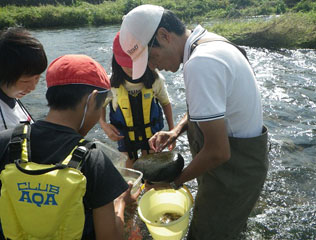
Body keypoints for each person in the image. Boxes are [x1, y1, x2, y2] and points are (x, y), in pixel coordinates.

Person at [119, 4, 269, 240]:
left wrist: (174, 182)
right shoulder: (210, 44)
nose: (152, 66)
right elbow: (216, 105)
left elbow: (218, 151)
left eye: (151, 57)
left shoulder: (200, 63)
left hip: (233, 175)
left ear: (164, 36)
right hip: (243, 167)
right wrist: (176, 130)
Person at [0, 54, 139, 240]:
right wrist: (120, 202)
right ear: (92, 100)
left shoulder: (6, 141)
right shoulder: (94, 160)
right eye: (103, 104)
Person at [99, 32, 175, 168]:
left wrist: (172, 130)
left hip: (151, 134)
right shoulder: (111, 83)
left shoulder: (155, 79)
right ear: (116, 61)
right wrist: (103, 124)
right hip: (125, 136)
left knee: (151, 165)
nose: (132, 68)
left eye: (136, 63)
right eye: (127, 64)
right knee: (128, 167)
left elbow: (165, 103)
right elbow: (100, 106)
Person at [0, 27, 47, 131]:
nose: (33, 87)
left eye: (37, 78)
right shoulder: (2, 123)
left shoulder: (10, 95)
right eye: (25, 81)